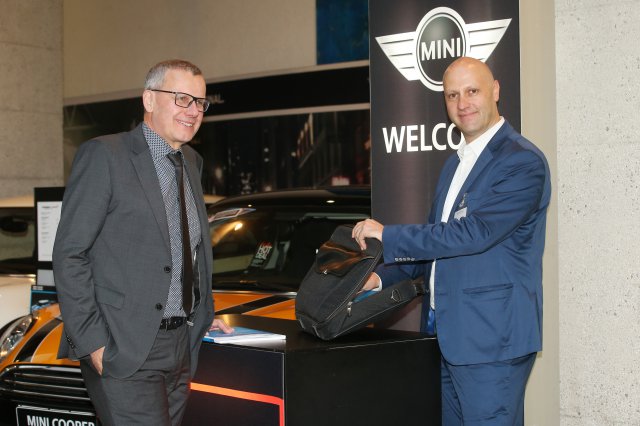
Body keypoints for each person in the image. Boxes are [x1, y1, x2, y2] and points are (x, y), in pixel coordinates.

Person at [352, 57, 551, 425]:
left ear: (495, 91)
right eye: (452, 95)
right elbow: (436, 247)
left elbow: (474, 233)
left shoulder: (522, 162)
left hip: (491, 342)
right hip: (448, 337)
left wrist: (388, 234)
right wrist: (377, 279)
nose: (462, 103)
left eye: (472, 91)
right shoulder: (455, 164)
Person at [53, 59, 233, 426]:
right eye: (182, 98)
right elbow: (70, 254)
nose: (194, 111)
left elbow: (185, 250)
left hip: (181, 345)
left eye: (200, 102)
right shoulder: (105, 155)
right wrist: (94, 343)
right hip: (124, 346)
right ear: (149, 99)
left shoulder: (191, 161)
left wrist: (199, 311)